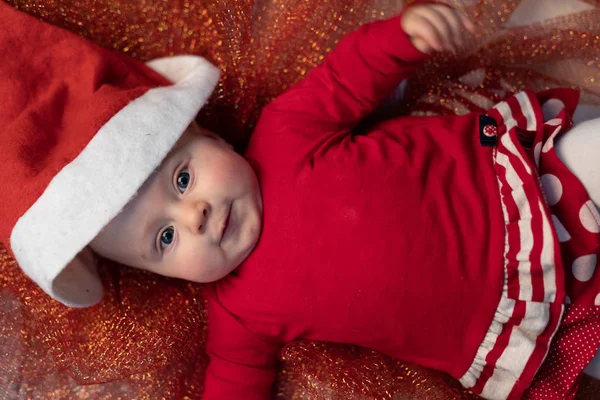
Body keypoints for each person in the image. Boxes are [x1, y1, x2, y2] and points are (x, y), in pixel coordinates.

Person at [1, 2, 599, 399]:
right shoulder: (237, 314)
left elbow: (348, 75)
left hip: (524, 191)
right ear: (162, 274)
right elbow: (236, 381)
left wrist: (403, 37)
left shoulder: (283, 132)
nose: (195, 216)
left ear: (206, 135)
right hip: (524, 319)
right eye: (164, 239)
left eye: (183, 180)